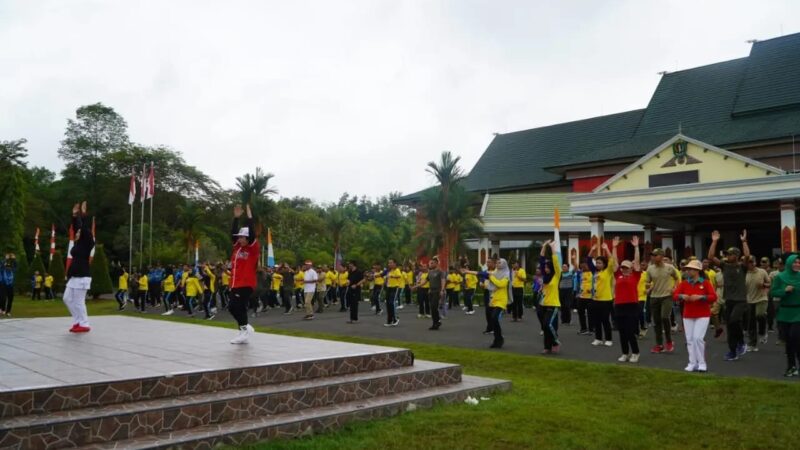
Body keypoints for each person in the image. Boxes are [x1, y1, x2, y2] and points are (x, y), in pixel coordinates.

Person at [708, 229, 750, 361]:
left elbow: (748, 256)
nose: (727, 256)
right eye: (726, 254)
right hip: (729, 299)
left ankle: (741, 343)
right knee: (730, 325)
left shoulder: (742, 266)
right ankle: (733, 350)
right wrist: (714, 241)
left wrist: (744, 241)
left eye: (730, 254)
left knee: (733, 321)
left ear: (736, 256)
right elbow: (710, 257)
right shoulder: (724, 265)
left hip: (740, 300)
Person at [673, 259, 717, 372]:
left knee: (698, 338)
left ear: (697, 270)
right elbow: (675, 295)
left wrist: (701, 297)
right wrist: (682, 296)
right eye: (688, 269)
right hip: (688, 314)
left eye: (691, 269)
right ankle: (692, 363)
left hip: (702, 314)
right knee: (690, 339)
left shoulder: (705, 283)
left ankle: (702, 363)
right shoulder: (684, 283)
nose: (688, 271)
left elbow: (713, 297)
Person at [228, 204, 259, 344]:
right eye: (239, 237)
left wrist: (249, 217)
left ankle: (244, 331)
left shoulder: (252, 248)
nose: (240, 239)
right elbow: (232, 233)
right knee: (232, 307)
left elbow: (252, 233)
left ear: (248, 239)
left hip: (246, 283)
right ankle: (244, 327)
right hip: (235, 282)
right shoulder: (237, 248)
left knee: (237, 306)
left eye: (242, 237)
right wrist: (236, 218)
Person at [63, 201, 93, 332]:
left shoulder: (87, 243)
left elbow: (84, 229)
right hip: (74, 276)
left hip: (82, 276)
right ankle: (77, 321)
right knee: (67, 299)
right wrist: (75, 216)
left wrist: (84, 214)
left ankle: (84, 324)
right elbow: (77, 227)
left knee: (79, 301)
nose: (77, 233)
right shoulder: (77, 244)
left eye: (79, 233)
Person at [769, 254, 800, 377]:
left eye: (799, 262)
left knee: (795, 337)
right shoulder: (780, 277)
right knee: (788, 340)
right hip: (785, 312)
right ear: (789, 263)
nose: (797, 264)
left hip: (798, 312)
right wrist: (784, 291)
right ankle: (791, 366)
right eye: (795, 262)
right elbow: (772, 292)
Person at [613, 236, 642, 363]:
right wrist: (614, 247)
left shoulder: (635, 276)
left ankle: (635, 352)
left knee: (630, 331)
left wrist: (636, 247)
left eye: (627, 267)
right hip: (619, 306)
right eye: (623, 267)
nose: (624, 269)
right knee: (622, 332)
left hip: (631, 306)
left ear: (631, 268)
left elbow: (637, 261)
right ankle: (625, 353)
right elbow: (614, 262)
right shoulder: (618, 276)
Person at [646, 248, 679, 354]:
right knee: (656, 322)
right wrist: (648, 287)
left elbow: (677, 278)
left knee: (665, 317)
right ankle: (659, 344)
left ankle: (669, 341)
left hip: (666, 296)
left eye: (655, 255)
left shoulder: (670, 268)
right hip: (654, 297)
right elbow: (648, 282)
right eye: (652, 255)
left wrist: (674, 287)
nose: (653, 257)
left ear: (661, 256)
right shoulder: (650, 268)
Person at [588, 239, 617, 347]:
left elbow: (612, 260)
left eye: (600, 263)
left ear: (604, 264)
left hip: (606, 300)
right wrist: (592, 250)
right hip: (595, 299)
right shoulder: (595, 272)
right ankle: (598, 338)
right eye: (597, 263)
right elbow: (588, 260)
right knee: (597, 320)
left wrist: (607, 249)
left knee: (605, 320)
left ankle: (608, 339)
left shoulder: (608, 271)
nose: (598, 264)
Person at [539, 240, 562, 354]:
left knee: (548, 324)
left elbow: (556, 263)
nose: (546, 268)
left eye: (548, 267)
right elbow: (541, 260)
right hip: (544, 303)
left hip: (553, 304)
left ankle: (555, 341)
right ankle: (547, 347)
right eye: (545, 267)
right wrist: (544, 246)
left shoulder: (556, 276)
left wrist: (552, 249)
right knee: (545, 326)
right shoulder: (545, 277)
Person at [745, 256, 770, 351]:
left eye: (752, 261)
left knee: (760, 315)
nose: (751, 263)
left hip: (761, 298)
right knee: (751, 323)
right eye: (748, 262)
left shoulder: (762, 272)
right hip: (749, 300)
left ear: (755, 262)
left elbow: (769, 283)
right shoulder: (744, 273)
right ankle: (752, 344)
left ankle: (763, 332)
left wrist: (764, 286)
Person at [574, 257, 593, 335]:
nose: (583, 267)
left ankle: (591, 329)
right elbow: (575, 269)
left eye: (585, 266)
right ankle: (583, 328)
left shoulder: (593, 272)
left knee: (590, 314)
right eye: (582, 266)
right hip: (581, 296)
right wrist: (574, 259)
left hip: (590, 297)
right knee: (581, 313)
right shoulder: (580, 273)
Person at [427, 257, 446, 330]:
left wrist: (442, 290)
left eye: (432, 263)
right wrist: (416, 286)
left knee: (434, 307)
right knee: (432, 308)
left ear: (436, 263)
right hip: (431, 291)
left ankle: (437, 320)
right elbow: (426, 281)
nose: (430, 264)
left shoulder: (440, 272)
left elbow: (443, 280)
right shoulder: (430, 272)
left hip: (437, 291)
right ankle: (435, 323)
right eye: (430, 263)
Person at [385, 259, 402, 327]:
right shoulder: (390, 271)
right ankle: (389, 321)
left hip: (395, 288)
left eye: (391, 263)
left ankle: (395, 319)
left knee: (391, 303)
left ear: (395, 264)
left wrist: (392, 276)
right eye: (389, 263)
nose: (389, 264)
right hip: (389, 288)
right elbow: (387, 278)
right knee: (388, 304)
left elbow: (399, 276)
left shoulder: (397, 270)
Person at [558, 261, 575, 325]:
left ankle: (568, 320)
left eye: (565, 267)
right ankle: (563, 320)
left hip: (568, 290)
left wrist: (574, 260)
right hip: (561, 290)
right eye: (562, 267)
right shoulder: (560, 274)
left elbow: (575, 268)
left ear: (568, 268)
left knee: (567, 305)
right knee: (562, 306)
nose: (563, 268)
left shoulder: (571, 273)